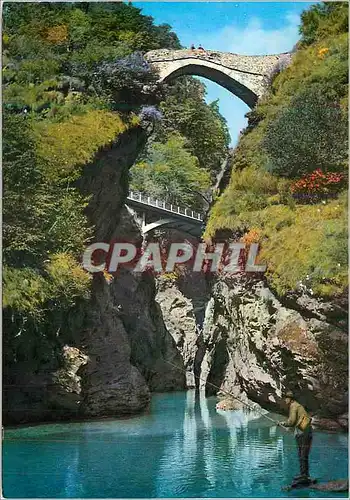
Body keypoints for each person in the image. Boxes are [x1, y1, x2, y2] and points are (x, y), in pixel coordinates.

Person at [279, 391, 313, 483]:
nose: (285, 400)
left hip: (304, 433)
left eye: (286, 398)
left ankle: (304, 475)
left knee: (302, 455)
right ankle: (304, 474)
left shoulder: (293, 406)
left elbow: (292, 421)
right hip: (304, 432)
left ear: (290, 399)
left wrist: (283, 423)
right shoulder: (297, 405)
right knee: (302, 455)